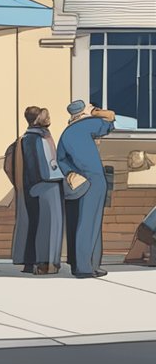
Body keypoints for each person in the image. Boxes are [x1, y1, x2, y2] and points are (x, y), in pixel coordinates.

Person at [57, 102, 116, 278]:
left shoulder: (66, 133)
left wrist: (70, 173)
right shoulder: (87, 124)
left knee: (82, 223)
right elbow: (111, 118)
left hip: (79, 182)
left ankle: (82, 264)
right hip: (95, 179)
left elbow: (60, 159)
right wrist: (95, 111)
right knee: (92, 225)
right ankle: (87, 266)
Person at [20, 107, 64, 275]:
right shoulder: (40, 137)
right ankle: (46, 263)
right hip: (47, 184)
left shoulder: (26, 137)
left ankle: (30, 262)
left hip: (32, 186)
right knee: (50, 225)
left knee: (35, 224)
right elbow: (47, 165)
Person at [7, 106, 44, 272]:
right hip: (38, 188)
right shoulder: (36, 140)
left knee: (27, 224)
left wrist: (17, 183)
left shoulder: (18, 141)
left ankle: (28, 262)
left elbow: (8, 166)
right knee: (38, 224)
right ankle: (34, 261)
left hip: (24, 188)